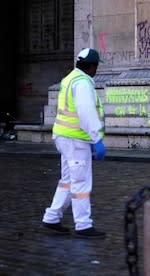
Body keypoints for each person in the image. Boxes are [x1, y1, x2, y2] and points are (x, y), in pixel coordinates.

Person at [42, 48, 106, 238]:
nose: (96, 71)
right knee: (81, 182)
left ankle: (52, 217)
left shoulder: (69, 79)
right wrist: (97, 138)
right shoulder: (83, 83)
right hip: (76, 140)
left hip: (65, 137)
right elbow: (86, 111)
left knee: (68, 181)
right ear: (92, 66)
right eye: (96, 67)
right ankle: (83, 225)